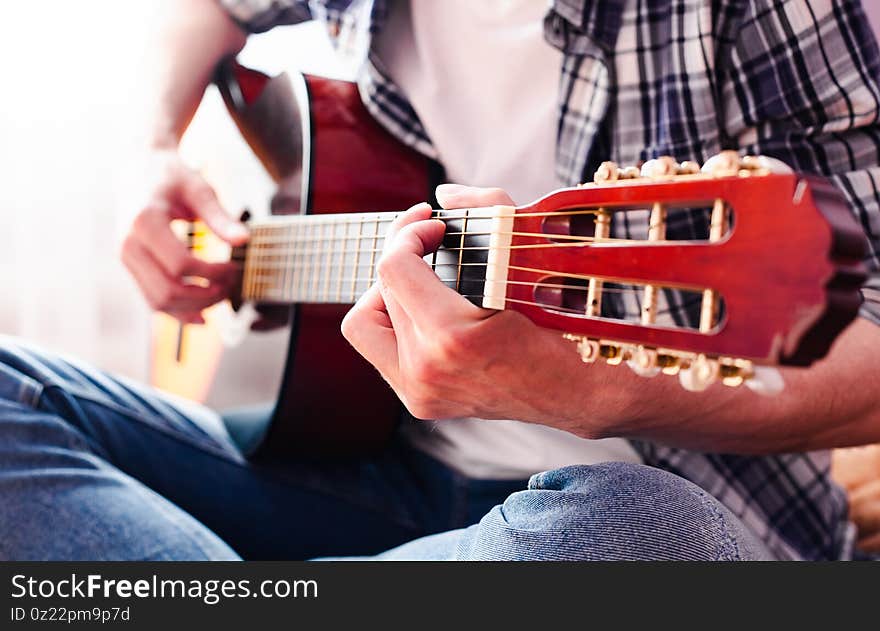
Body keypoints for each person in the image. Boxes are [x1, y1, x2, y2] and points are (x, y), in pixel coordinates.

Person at [2, 0, 879, 561]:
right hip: (360, 458)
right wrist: (152, 150)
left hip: (616, 514)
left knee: (644, 540)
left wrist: (593, 393)